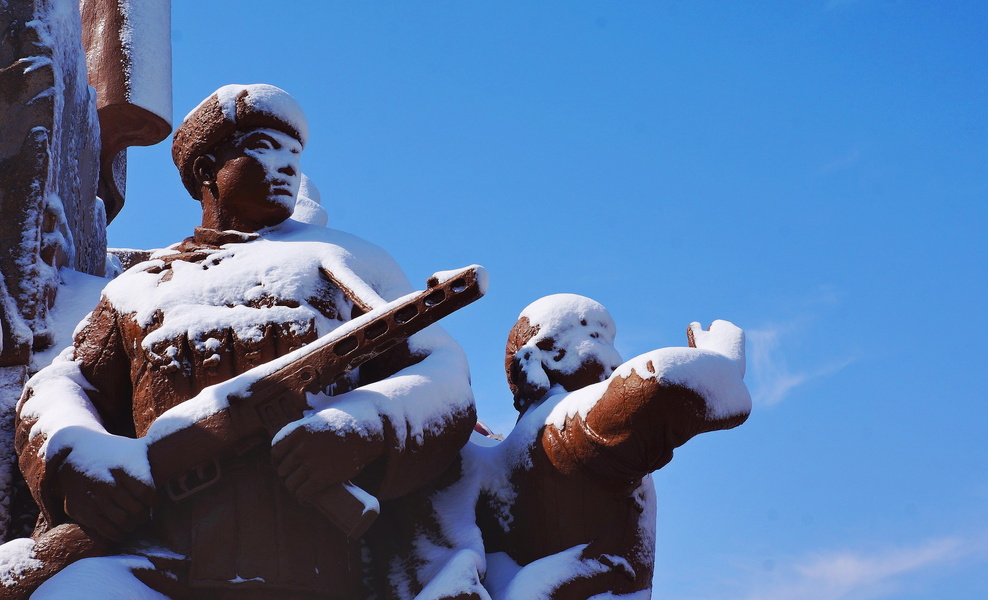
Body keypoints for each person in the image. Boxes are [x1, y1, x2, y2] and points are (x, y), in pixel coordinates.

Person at [13, 84, 476, 599]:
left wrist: (365, 428)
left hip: (308, 566)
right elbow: (62, 385)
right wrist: (73, 457)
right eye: (261, 146)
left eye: (293, 154)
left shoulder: (341, 260)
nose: (284, 166)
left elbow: (442, 370)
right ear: (206, 168)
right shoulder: (139, 288)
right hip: (155, 560)